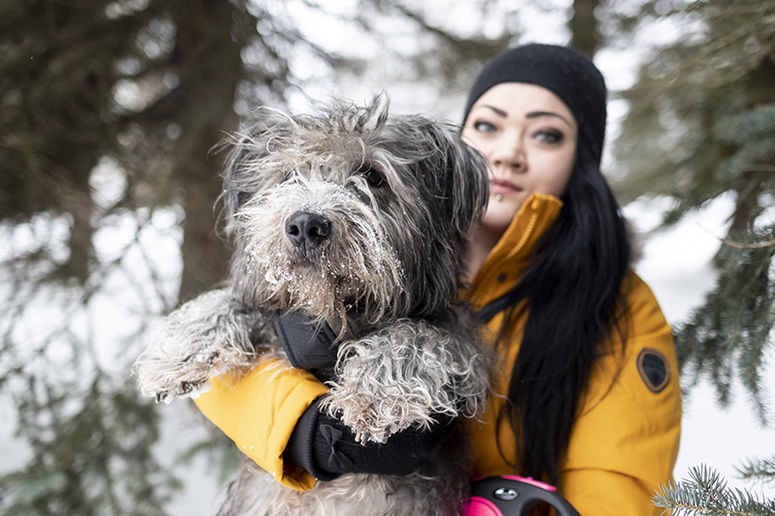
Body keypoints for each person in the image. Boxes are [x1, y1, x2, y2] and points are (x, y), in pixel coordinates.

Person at [192, 43, 682, 514]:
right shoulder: (373, 250)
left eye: (546, 134)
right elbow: (210, 372)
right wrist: (309, 431)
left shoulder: (618, 303)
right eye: (488, 126)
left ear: (583, 160)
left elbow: (619, 491)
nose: (508, 153)